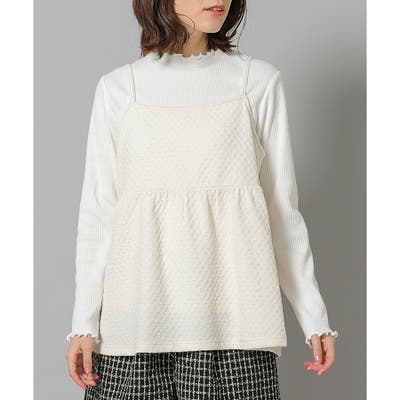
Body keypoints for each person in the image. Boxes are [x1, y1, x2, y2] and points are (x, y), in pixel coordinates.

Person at [65, 1, 338, 398]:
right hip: (135, 324)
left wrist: (315, 318)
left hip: (233, 326)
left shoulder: (256, 82)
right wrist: (84, 323)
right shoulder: (119, 88)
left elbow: (281, 210)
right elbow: (99, 213)